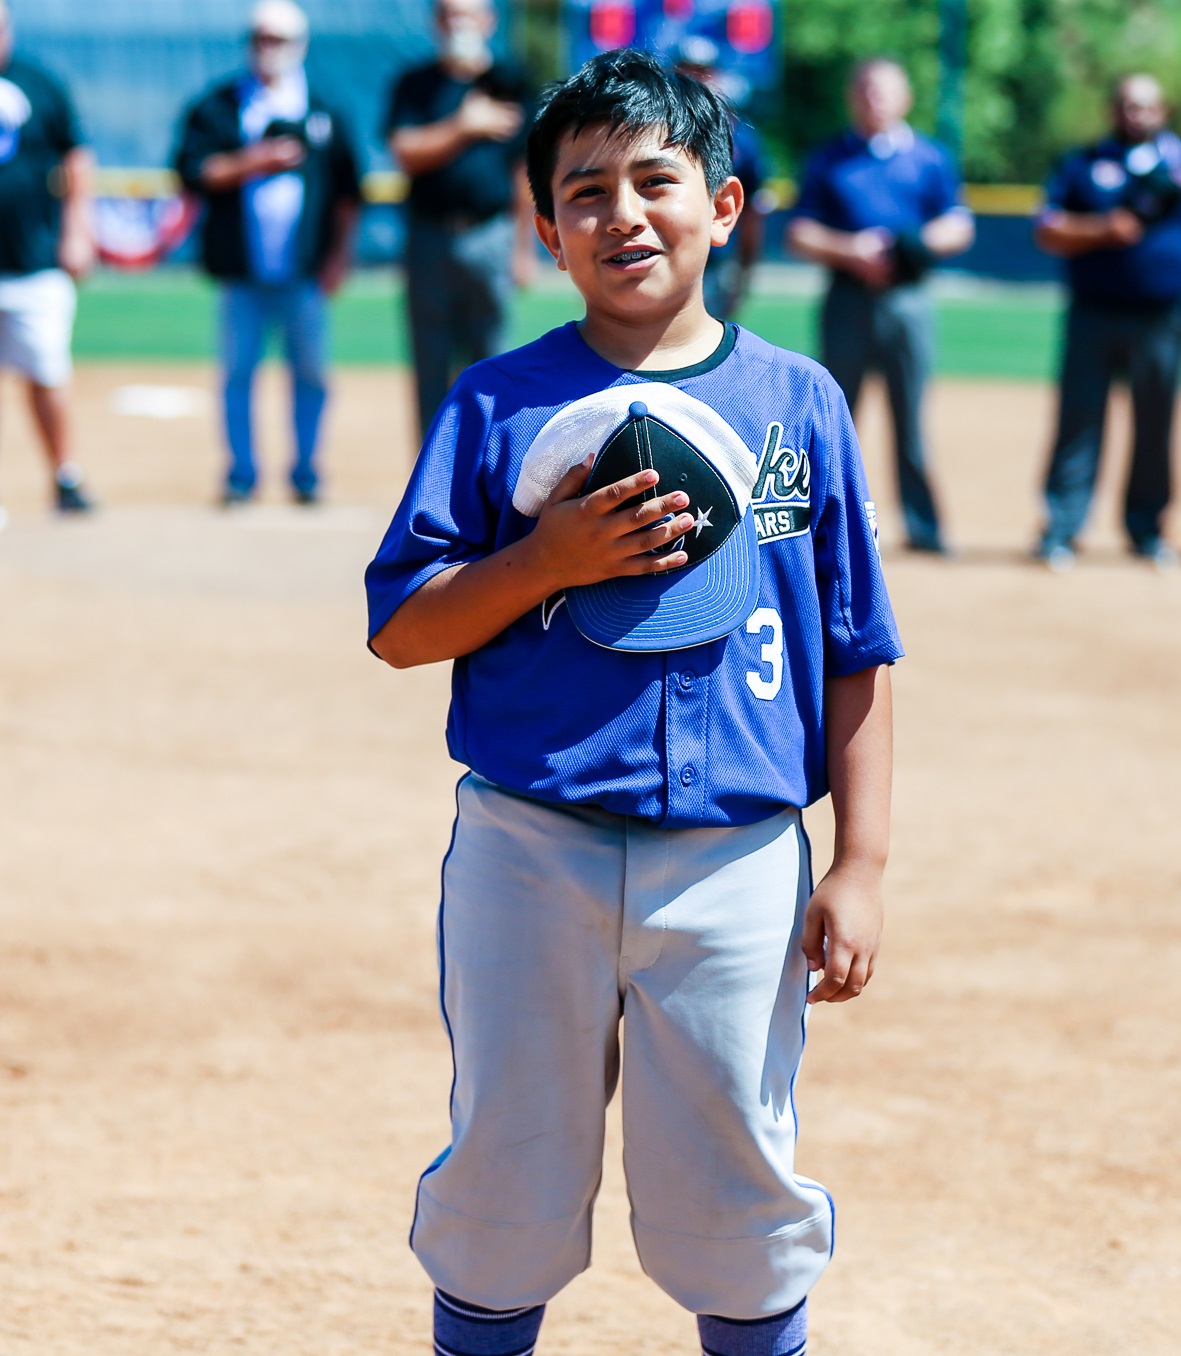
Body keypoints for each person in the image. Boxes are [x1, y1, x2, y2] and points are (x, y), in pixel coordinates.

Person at [365, 49, 902, 1355]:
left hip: (734, 861)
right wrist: (544, 560)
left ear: (724, 205)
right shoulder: (500, 401)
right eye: (584, 190)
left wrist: (864, 862)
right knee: (507, 1169)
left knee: (733, 1179)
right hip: (527, 849)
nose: (622, 212)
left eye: (655, 180)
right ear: (542, 229)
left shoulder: (797, 404)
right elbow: (398, 628)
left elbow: (856, 648)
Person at [174, 0, 361, 506]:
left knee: (311, 374)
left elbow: (349, 190)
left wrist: (339, 256)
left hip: (304, 272)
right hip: (243, 272)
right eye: (259, 38)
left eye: (277, 39)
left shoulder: (322, 109)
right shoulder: (219, 106)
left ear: (298, 46)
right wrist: (251, 162)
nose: (267, 48)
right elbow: (193, 171)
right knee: (238, 374)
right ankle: (241, 473)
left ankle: (305, 470)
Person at [787, 58, 974, 555]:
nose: (875, 99)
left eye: (885, 91)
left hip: (907, 302)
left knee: (911, 418)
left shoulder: (928, 157)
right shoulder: (830, 158)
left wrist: (905, 246)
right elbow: (800, 230)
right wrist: (853, 249)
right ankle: (819, 531)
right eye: (866, 90)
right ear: (853, 97)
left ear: (905, 97)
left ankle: (924, 529)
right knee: (832, 420)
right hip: (847, 299)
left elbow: (958, 224)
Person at [1033, 74, 1181, 572]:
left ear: (1161, 111)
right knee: (1078, 422)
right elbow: (1048, 228)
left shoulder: (1177, 164)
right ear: (1112, 109)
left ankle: (1146, 530)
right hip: (1093, 313)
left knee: (1155, 425)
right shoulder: (1083, 163)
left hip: (1161, 318)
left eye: (1145, 106)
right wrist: (1102, 228)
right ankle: (1062, 528)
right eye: (1126, 105)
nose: (1135, 114)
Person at [385, 0, 536, 438]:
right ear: (436, 23)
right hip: (430, 235)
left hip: (491, 234)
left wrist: (523, 249)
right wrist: (463, 125)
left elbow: (522, 173)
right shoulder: (416, 85)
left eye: (468, 14)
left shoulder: (509, 81)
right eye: (451, 15)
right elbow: (405, 152)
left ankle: (493, 469)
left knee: (495, 359)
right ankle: (432, 478)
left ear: (488, 22)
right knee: (430, 362)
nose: (459, 24)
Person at [0, 0, 95, 522]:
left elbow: (76, 155)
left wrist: (78, 229)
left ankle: (65, 476)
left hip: (33, 258)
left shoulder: (39, 84)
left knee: (47, 371)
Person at [673, 34, 767, 322]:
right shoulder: (653, 130)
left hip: (715, 260)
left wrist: (745, 270)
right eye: (686, 70)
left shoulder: (741, 138)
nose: (694, 78)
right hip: (663, 253)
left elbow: (752, 210)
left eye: (702, 71)